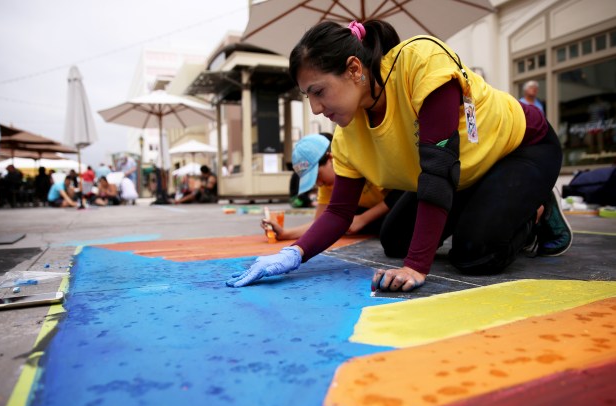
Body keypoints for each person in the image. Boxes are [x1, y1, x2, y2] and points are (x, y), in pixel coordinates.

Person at [229, 20, 572, 292]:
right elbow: (338, 212)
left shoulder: (420, 63)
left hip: (521, 147)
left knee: (476, 254)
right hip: (464, 170)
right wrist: (293, 254)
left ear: (353, 69)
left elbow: (437, 172)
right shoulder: (347, 135)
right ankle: (491, 201)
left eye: (318, 91)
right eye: (308, 96)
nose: (316, 108)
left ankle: (538, 209)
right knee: (395, 240)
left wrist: (416, 267)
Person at [262, 133, 393, 240]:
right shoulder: (326, 184)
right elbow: (320, 224)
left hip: (403, 206)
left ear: (330, 158)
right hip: (378, 214)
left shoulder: (360, 160)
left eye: (318, 175)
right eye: (313, 180)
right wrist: (285, 233)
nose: (319, 183)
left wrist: (363, 219)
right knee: (338, 222)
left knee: (389, 237)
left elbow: (401, 193)